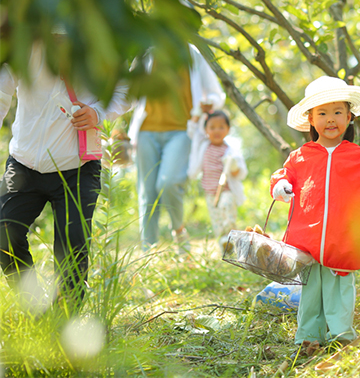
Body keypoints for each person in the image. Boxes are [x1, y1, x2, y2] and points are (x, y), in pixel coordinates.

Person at [269, 76, 360, 351]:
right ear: (311, 119)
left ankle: (341, 334)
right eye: (323, 113)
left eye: (338, 112)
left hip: (343, 240)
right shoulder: (301, 156)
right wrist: (280, 184)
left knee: (340, 290)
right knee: (311, 290)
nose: (331, 119)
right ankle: (308, 336)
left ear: (349, 117)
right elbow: (285, 174)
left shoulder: (358, 156)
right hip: (308, 241)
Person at [0, 41, 130, 310]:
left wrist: (98, 112)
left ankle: (63, 322)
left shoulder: (101, 40)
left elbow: (128, 88)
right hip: (24, 164)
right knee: (3, 232)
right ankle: (33, 307)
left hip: (78, 167)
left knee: (72, 251)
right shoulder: (22, 44)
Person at [128, 44, 225, 251]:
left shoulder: (191, 53)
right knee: (147, 192)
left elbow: (217, 95)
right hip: (146, 130)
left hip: (182, 130)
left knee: (169, 182)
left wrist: (208, 103)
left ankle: (179, 230)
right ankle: (148, 250)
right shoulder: (144, 52)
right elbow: (128, 92)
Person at [188, 110, 247, 251]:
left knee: (226, 208)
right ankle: (225, 244)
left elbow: (240, 172)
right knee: (217, 221)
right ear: (205, 130)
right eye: (212, 127)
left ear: (228, 130)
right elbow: (192, 132)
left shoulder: (231, 150)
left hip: (227, 191)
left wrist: (233, 166)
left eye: (221, 127)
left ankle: (232, 237)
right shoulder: (203, 146)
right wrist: (198, 111)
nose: (217, 131)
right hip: (210, 193)